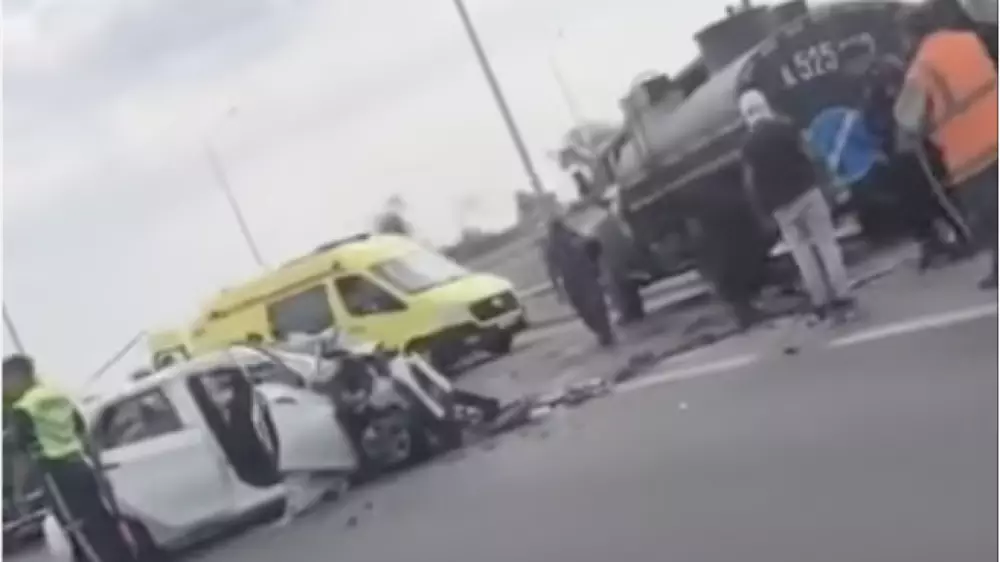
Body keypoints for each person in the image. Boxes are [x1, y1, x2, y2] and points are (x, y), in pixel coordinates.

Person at [895, 7, 999, 288]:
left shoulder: (922, 66)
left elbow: (907, 117)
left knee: (988, 217)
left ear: (911, 35)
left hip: (971, 153)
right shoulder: (969, 40)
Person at [3, 355, 136, 562]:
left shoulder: (22, 409)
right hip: (80, 466)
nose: (4, 388)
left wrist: (19, 492)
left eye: (4, 381)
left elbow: (22, 455)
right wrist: (97, 469)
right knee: (103, 522)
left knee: (79, 530)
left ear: (16, 377)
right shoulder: (58, 396)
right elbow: (83, 433)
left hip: (56, 475)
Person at [738, 89, 855, 320]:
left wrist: (762, 212)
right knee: (827, 245)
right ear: (765, 105)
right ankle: (843, 296)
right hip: (808, 193)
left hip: (782, 207)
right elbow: (811, 153)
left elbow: (750, 183)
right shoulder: (786, 127)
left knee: (802, 254)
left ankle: (820, 303)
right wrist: (829, 181)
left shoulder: (748, 146)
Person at [861, 57, 973, 269]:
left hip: (922, 153)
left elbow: (924, 115)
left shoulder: (912, 89)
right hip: (903, 157)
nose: (890, 88)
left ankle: (964, 236)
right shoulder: (876, 101)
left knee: (942, 197)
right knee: (916, 205)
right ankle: (931, 242)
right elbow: (875, 125)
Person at [544, 219, 616, 346]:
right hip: (585, 278)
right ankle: (604, 331)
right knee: (595, 306)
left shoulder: (554, 246)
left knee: (587, 310)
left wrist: (557, 288)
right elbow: (595, 248)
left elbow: (552, 271)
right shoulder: (571, 239)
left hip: (576, 281)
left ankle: (603, 331)